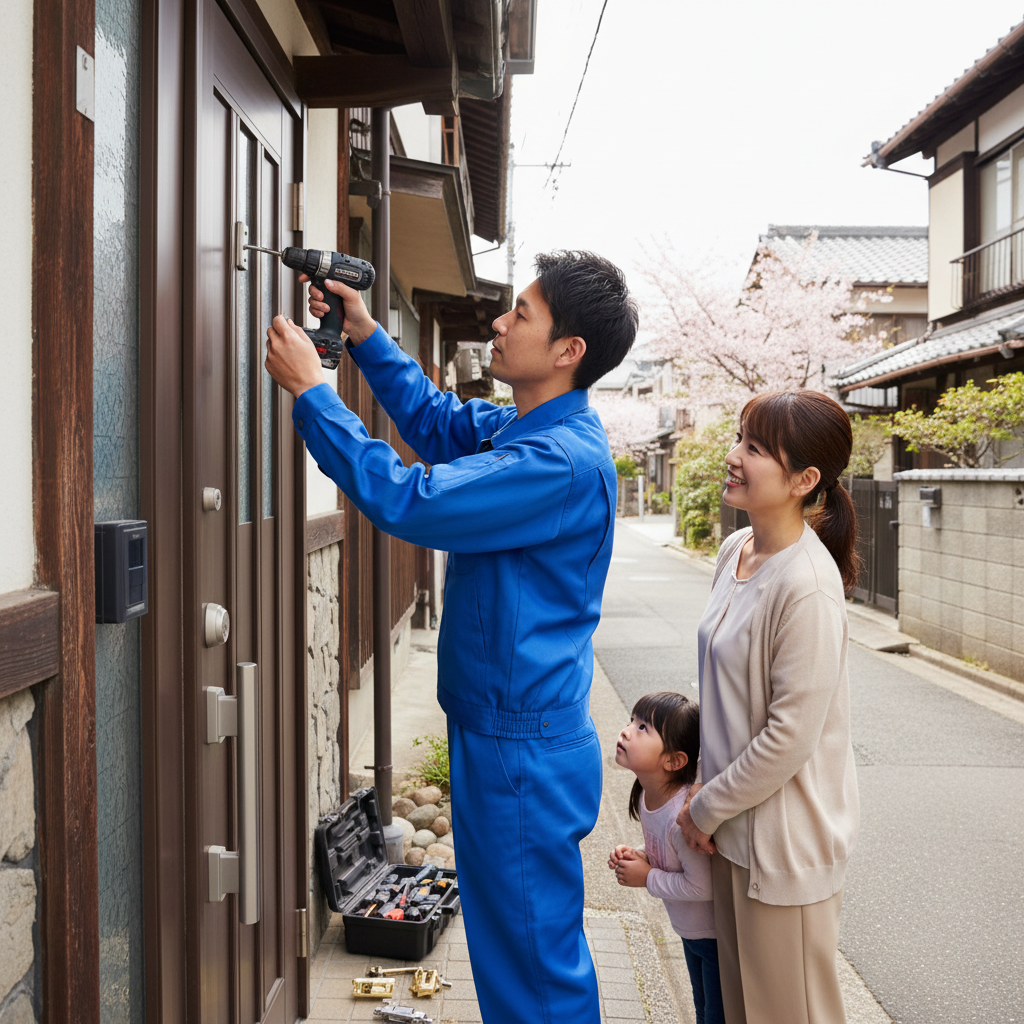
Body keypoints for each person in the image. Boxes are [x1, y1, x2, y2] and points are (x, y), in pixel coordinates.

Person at [264, 251, 638, 1024]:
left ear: (569, 352)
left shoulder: (556, 462)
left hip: (522, 752)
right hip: (506, 736)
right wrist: (365, 334)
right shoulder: (525, 429)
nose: (500, 323)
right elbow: (436, 422)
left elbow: (413, 500)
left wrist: (314, 394)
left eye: (522, 314)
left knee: (536, 973)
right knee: (516, 957)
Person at [676, 389, 861, 1024]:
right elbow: (720, 691)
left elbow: (789, 737)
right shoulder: (736, 552)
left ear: (805, 480)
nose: (733, 457)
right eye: (739, 439)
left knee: (790, 1013)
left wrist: (703, 805)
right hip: (730, 830)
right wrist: (703, 792)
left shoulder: (807, 585)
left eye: (754, 449)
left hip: (782, 846)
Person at [609, 691, 723, 1024]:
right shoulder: (648, 795)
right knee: (702, 1010)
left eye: (643, 727)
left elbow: (704, 886)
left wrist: (646, 877)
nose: (627, 730)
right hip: (690, 931)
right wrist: (640, 855)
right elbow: (667, 855)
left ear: (674, 761)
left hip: (713, 938)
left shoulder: (681, 818)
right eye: (632, 720)